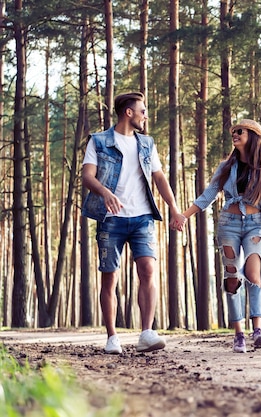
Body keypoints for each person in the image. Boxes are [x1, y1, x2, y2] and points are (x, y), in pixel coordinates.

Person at [82, 91, 181, 354]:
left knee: (148, 270)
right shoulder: (99, 141)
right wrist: (105, 193)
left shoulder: (147, 144)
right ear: (129, 112)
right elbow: (87, 177)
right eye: (143, 110)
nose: (146, 115)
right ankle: (112, 337)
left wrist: (173, 208)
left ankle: (146, 333)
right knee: (109, 279)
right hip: (110, 218)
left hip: (142, 218)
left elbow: (159, 179)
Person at [170, 119, 261, 353]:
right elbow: (208, 195)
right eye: (233, 132)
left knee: (254, 273)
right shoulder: (226, 166)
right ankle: (239, 334)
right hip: (229, 223)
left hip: (255, 226)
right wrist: (184, 216)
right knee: (231, 275)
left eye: (239, 131)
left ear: (253, 136)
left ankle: (257, 329)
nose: (234, 135)